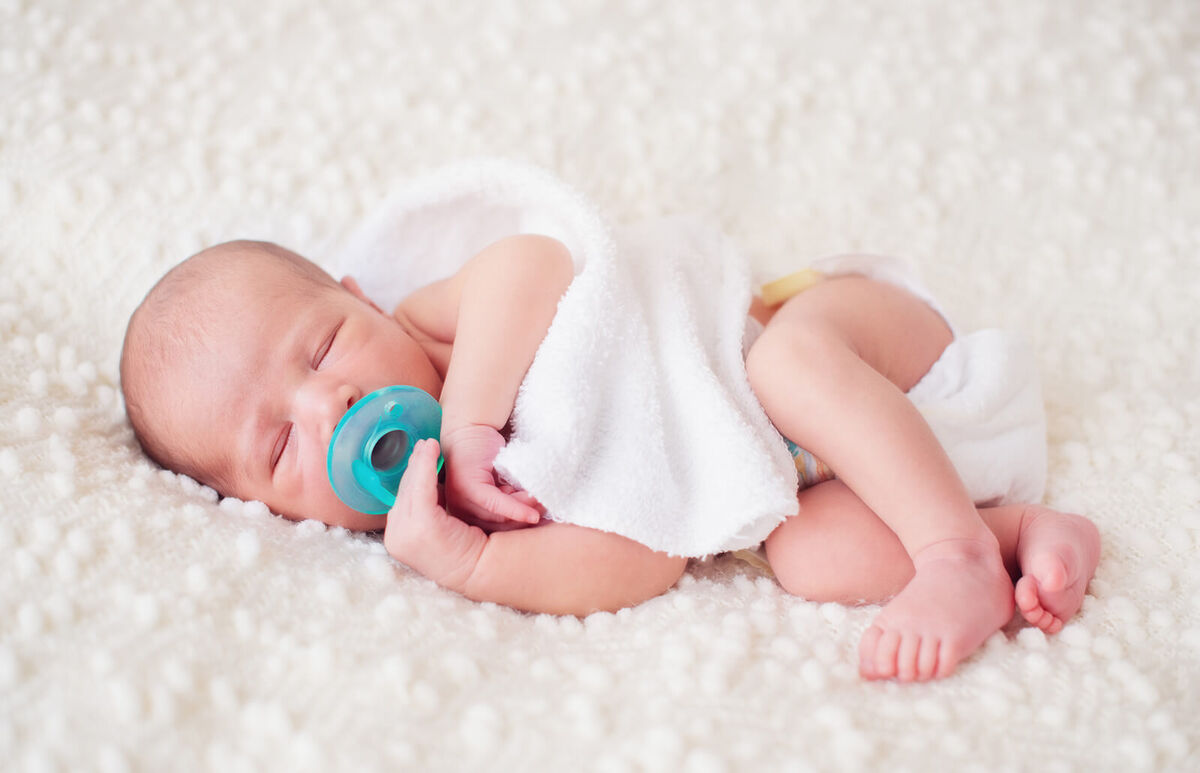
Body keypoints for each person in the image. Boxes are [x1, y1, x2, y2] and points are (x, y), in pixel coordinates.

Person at [119, 236, 1100, 682]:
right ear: (256, 508)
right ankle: (1009, 536)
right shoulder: (448, 518)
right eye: (280, 445)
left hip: (832, 333)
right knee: (810, 559)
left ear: (356, 292)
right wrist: (466, 560)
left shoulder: (434, 323)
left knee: (795, 366)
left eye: (325, 346)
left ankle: (950, 556)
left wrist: (470, 423)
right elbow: (646, 551)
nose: (326, 400)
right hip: (826, 463)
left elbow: (533, 263)